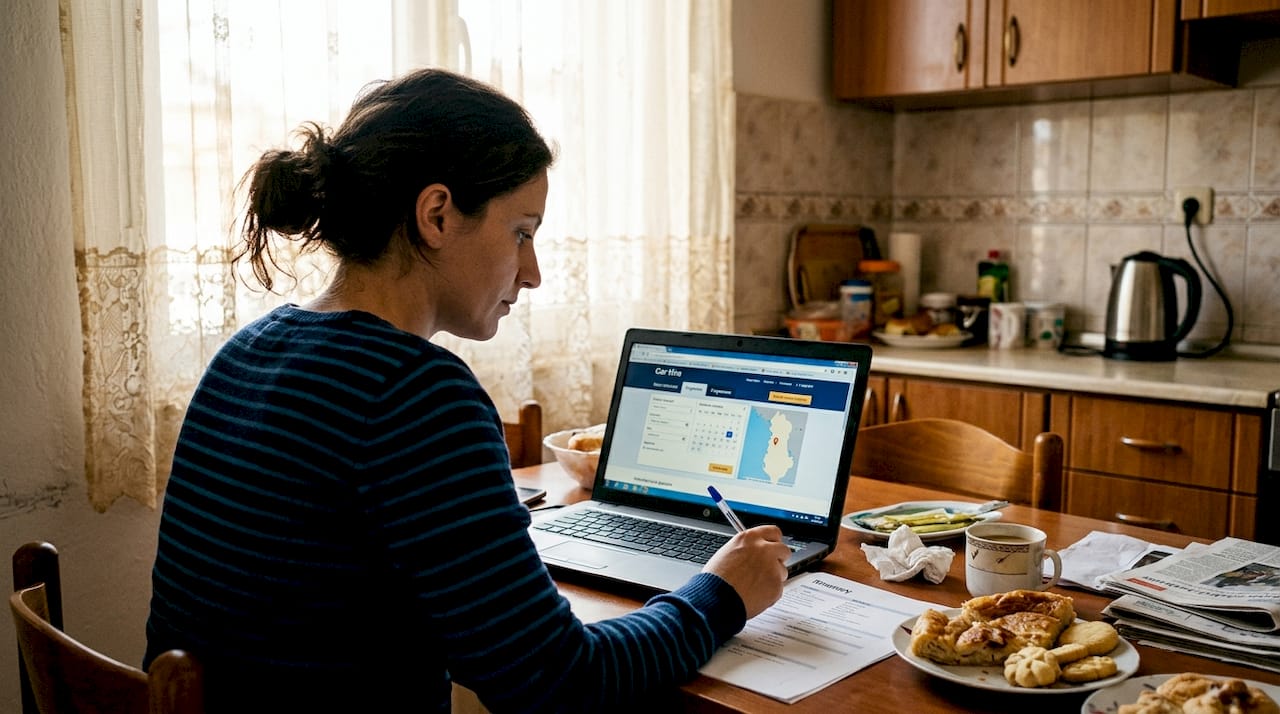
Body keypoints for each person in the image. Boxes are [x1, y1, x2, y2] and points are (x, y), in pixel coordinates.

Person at [144, 68, 791, 713]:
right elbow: (558, 682)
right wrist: (720, 593)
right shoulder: (415, 395)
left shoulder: (246, 353)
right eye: (522, 232)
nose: (532, 272)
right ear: (437, 214)